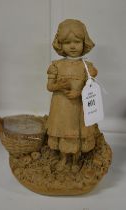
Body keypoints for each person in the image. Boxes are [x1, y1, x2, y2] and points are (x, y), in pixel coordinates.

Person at [46, 19, 99, 167]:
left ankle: (76, 160)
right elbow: (49, 86)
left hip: (78, 107)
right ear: (61, 44)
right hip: (61, 107)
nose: (73, 46)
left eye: (77, 41)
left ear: (84, 43)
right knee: (63, 132)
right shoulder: (56, 66)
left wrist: (79, 92)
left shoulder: (87, 67)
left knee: (76, 133)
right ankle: (63, 158)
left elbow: (92, 87)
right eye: (68, 43)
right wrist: (58, 85)